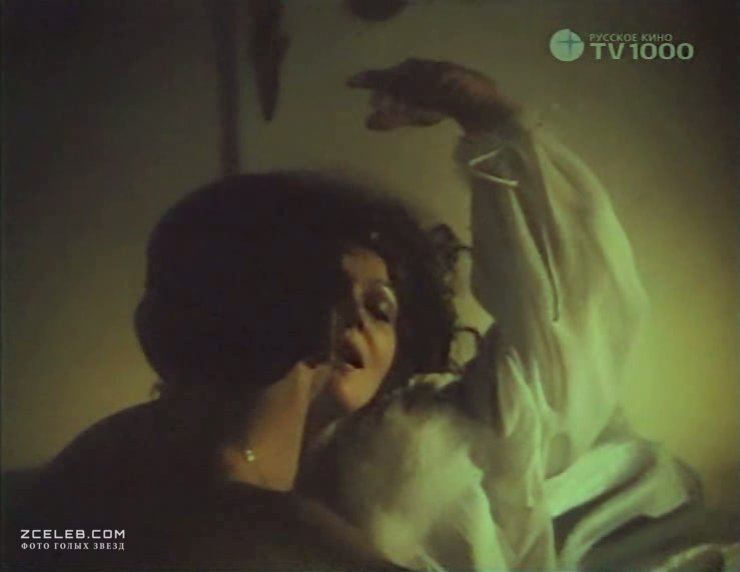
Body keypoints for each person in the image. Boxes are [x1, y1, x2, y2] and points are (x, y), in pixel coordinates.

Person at [5, 59, 693, 571]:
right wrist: (142, 534)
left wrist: (494, 123)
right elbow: (41, 537)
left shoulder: (437, 434)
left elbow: (566, 319)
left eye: (380, 307)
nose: (349, 321)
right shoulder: (150, 443)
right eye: (322, 292)